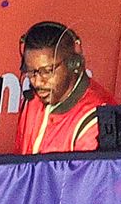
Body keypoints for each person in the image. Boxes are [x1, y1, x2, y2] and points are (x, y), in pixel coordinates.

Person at [14, 21, 115, 154]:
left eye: (48, 71)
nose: (37, 82)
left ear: (73, 64)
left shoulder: (96, 119)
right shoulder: (32, 101)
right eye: (31, 71)